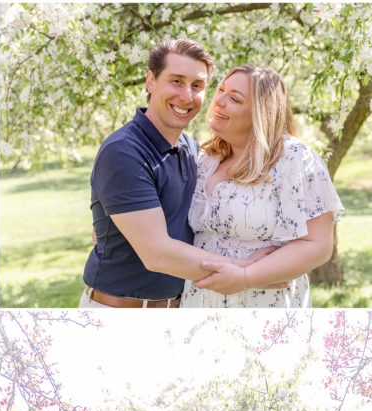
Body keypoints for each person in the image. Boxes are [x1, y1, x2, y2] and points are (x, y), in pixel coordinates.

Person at [80, 38, 271, 309]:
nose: (186, 96)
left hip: (178, 310)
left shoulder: (192, 150)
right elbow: (157, 253)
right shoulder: (124, 151)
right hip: (120, 312)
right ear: (150, 81)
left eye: (197, 86)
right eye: (176, 81)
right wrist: (248, 272)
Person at [180, 64, 344, 308]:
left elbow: (318, 245)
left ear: (260, 113)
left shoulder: (294, 158)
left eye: (234, 99)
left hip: (264, 306)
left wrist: (247, 276)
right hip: (200, 304)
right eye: (221, 90)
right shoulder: (205, 158)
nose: (219, 101)